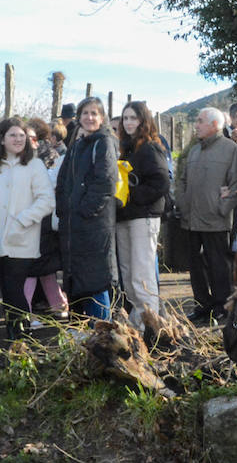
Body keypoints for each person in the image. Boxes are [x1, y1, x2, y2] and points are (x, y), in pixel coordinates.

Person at [0, 118, 55, 339]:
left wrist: (22, 220)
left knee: (15, 290)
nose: (18, 139)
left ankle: (22, 339)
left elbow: (46, 201)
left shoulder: (34, 165)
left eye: (21, 135)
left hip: (22, 238)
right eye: (13, 135)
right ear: (2, 139)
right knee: (7, 293)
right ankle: (15, 341)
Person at [54, 96, 120, 320]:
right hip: (73, 227)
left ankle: (104, 334)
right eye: (85, 113)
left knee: (95, 282)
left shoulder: (104, 143)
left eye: (94, 113)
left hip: (94, 226)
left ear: (102, 118)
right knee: (77, 283)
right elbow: (62, 181)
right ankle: (84, 340)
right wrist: (64, 209)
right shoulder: (78, 145)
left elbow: (105, 183)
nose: (89, 117)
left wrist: (84, 211)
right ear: (79, 117)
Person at [176, 107, 237, 323]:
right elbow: (182, 180)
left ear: (215, 125)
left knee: (219, 267)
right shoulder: (195, 150)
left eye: (200, 121)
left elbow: (236, 184)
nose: (196, 124)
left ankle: (222, 308)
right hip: (191, 219)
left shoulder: (231, 149)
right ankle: (202, 307)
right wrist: (183, 204)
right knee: (195, 268)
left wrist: (222, 209)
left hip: (216, 221)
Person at [115, 101, 169, 332]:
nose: (128, 123)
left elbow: (162, 182)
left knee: (142, 274)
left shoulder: (150, 148)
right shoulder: (127, 148)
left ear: (143, 121)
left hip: (143, 217)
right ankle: (138, 325)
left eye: (133, 118)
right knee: (128, 276)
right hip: (125, 218)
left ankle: (151, 327)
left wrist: (132, 195)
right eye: (125, 118)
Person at [23, 118, 69, 324]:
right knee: (45, 270)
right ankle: (60, 306)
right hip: (44, 218)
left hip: (34, 218)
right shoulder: (51, 154)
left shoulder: (31, 156)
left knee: (33, 270)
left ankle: (26, 312)